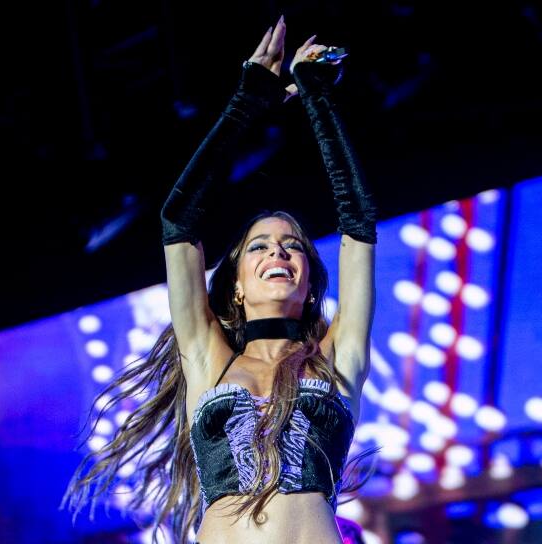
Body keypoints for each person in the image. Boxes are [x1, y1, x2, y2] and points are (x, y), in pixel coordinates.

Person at [64, 15, 378, 543]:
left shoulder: (338, 358)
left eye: (293, 246)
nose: (278, 251)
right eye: (259, 246)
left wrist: (316, 97)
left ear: (309, 281)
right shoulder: (207, 358)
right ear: (236, 284)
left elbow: (358, 221)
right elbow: (178, 222)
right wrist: (247, 99)